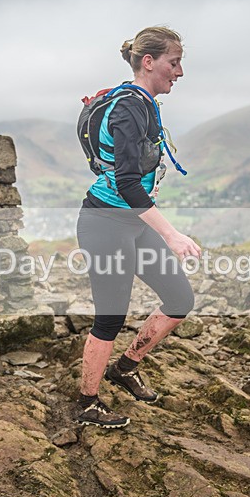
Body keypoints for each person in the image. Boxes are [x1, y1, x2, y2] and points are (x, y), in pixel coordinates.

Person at [74, 26, 201, 428]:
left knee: (179, 300)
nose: (179, 72)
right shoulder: (130, 106)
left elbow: (132, 170)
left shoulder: (142, 102)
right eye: (174, 63)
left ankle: (125, 367)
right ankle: (87, 402)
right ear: (149, 62)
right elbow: (127, 182)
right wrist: (172, 234)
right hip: (104, 224)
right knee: (110, 316)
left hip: (132, 222)